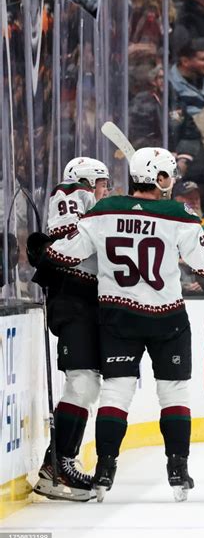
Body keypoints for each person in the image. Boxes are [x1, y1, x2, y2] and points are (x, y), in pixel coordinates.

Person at [41, 148, 204, 502]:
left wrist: (42, 250)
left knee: (115, 392)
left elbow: (64, 253)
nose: (171, 182)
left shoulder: (102, 211)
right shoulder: (178, 214)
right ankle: (178, 469)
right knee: (173, 393)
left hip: (116, 316)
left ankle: (104, 471)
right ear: (158, 178)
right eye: (169, 175)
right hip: (166, 317)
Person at [29, 157, 110, 502]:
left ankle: (59, 462)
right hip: (72, 299)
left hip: (85, 301)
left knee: (88, 382)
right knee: (82, 380)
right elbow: (68, 241)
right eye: (102, 183)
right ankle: (58, 465)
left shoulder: (91, 203)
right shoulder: (70, 192)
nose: (106, 189)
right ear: (87, 181)